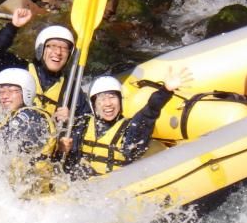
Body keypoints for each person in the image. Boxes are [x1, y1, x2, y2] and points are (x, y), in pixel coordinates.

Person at [60, 68, 192, 177]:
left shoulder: (129, 129)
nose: (108, 103)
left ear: (120, 101)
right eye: (101, 98)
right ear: (93, 104)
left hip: (110, 193)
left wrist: (165, 91)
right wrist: (62, 146)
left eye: (112, 97)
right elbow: (66, 160)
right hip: (79, 189)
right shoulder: (82, 125)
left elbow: (150, 111)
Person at [0, 7, 89, 125]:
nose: (58, 52)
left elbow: (87, 123)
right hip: (6, 138)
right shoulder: (18, 70)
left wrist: (72, 122)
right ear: (40, 48)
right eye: (51, 46)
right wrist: (13, 27)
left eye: (64, 48)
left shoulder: (71, 90)